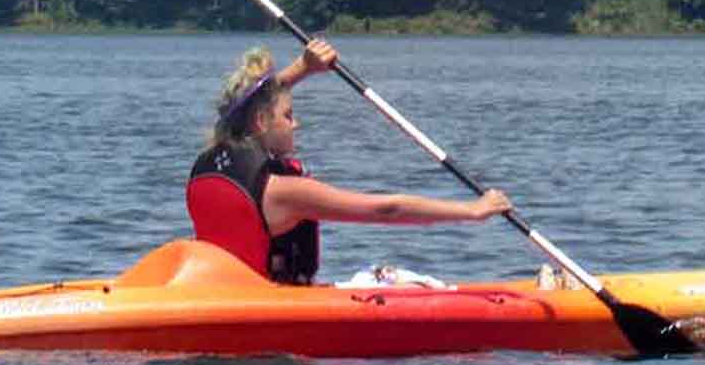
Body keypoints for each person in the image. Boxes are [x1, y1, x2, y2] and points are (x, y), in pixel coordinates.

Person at [187, 39, 512, 284]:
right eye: (289, 116)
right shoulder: (284, 192)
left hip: (225, 291)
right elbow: (387, 209)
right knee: (401, 281)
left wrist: (303, 67)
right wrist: (472, 211)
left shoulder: (209, 163)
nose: (296, 124)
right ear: (261, 122)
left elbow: (247, 105)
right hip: (276, 304)